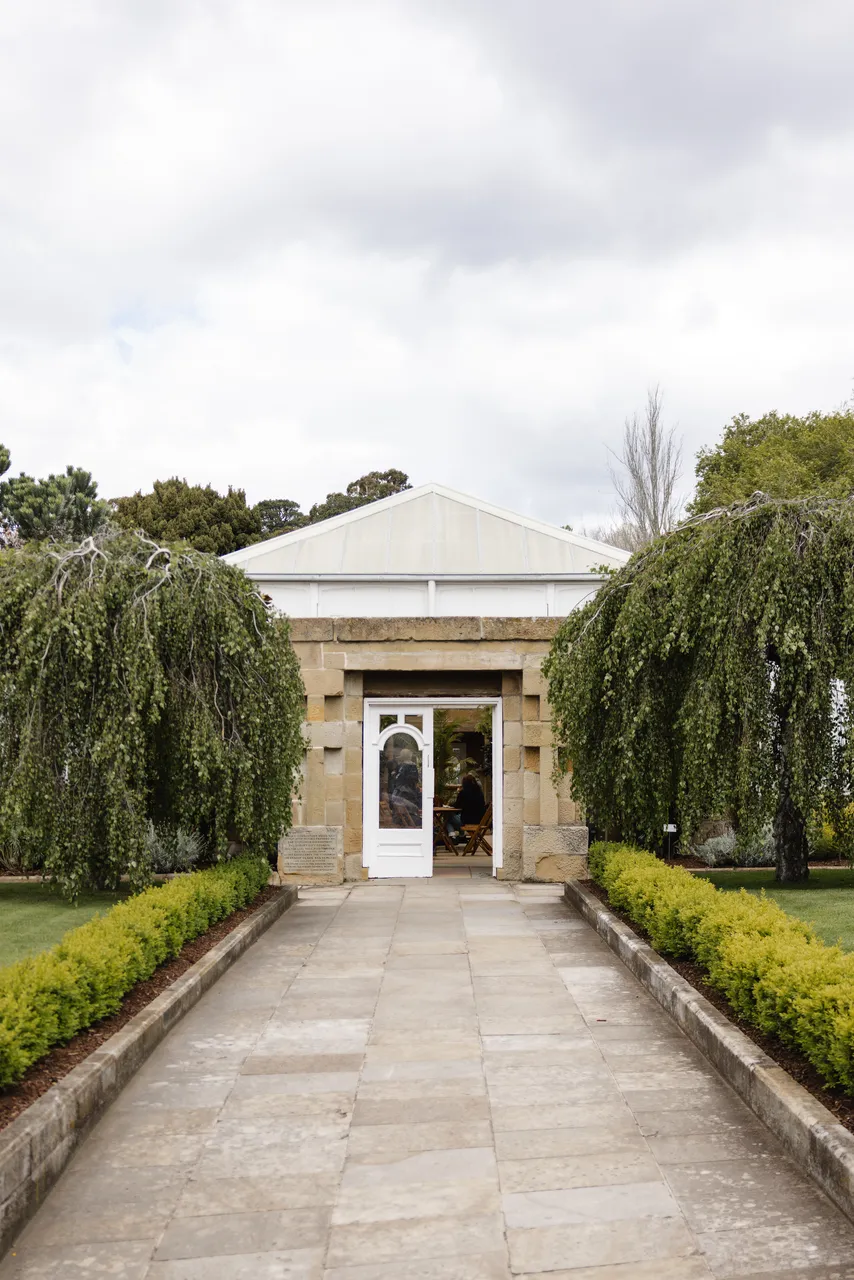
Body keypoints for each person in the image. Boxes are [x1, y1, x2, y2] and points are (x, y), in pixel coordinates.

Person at [449, 773, 486, 844]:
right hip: (480, 820)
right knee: (451, 818)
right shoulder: (480, 793)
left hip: (467, 821)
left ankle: (452, 836)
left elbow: (457, 806)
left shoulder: (463, 793)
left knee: (448, 817)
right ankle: (460, 836)